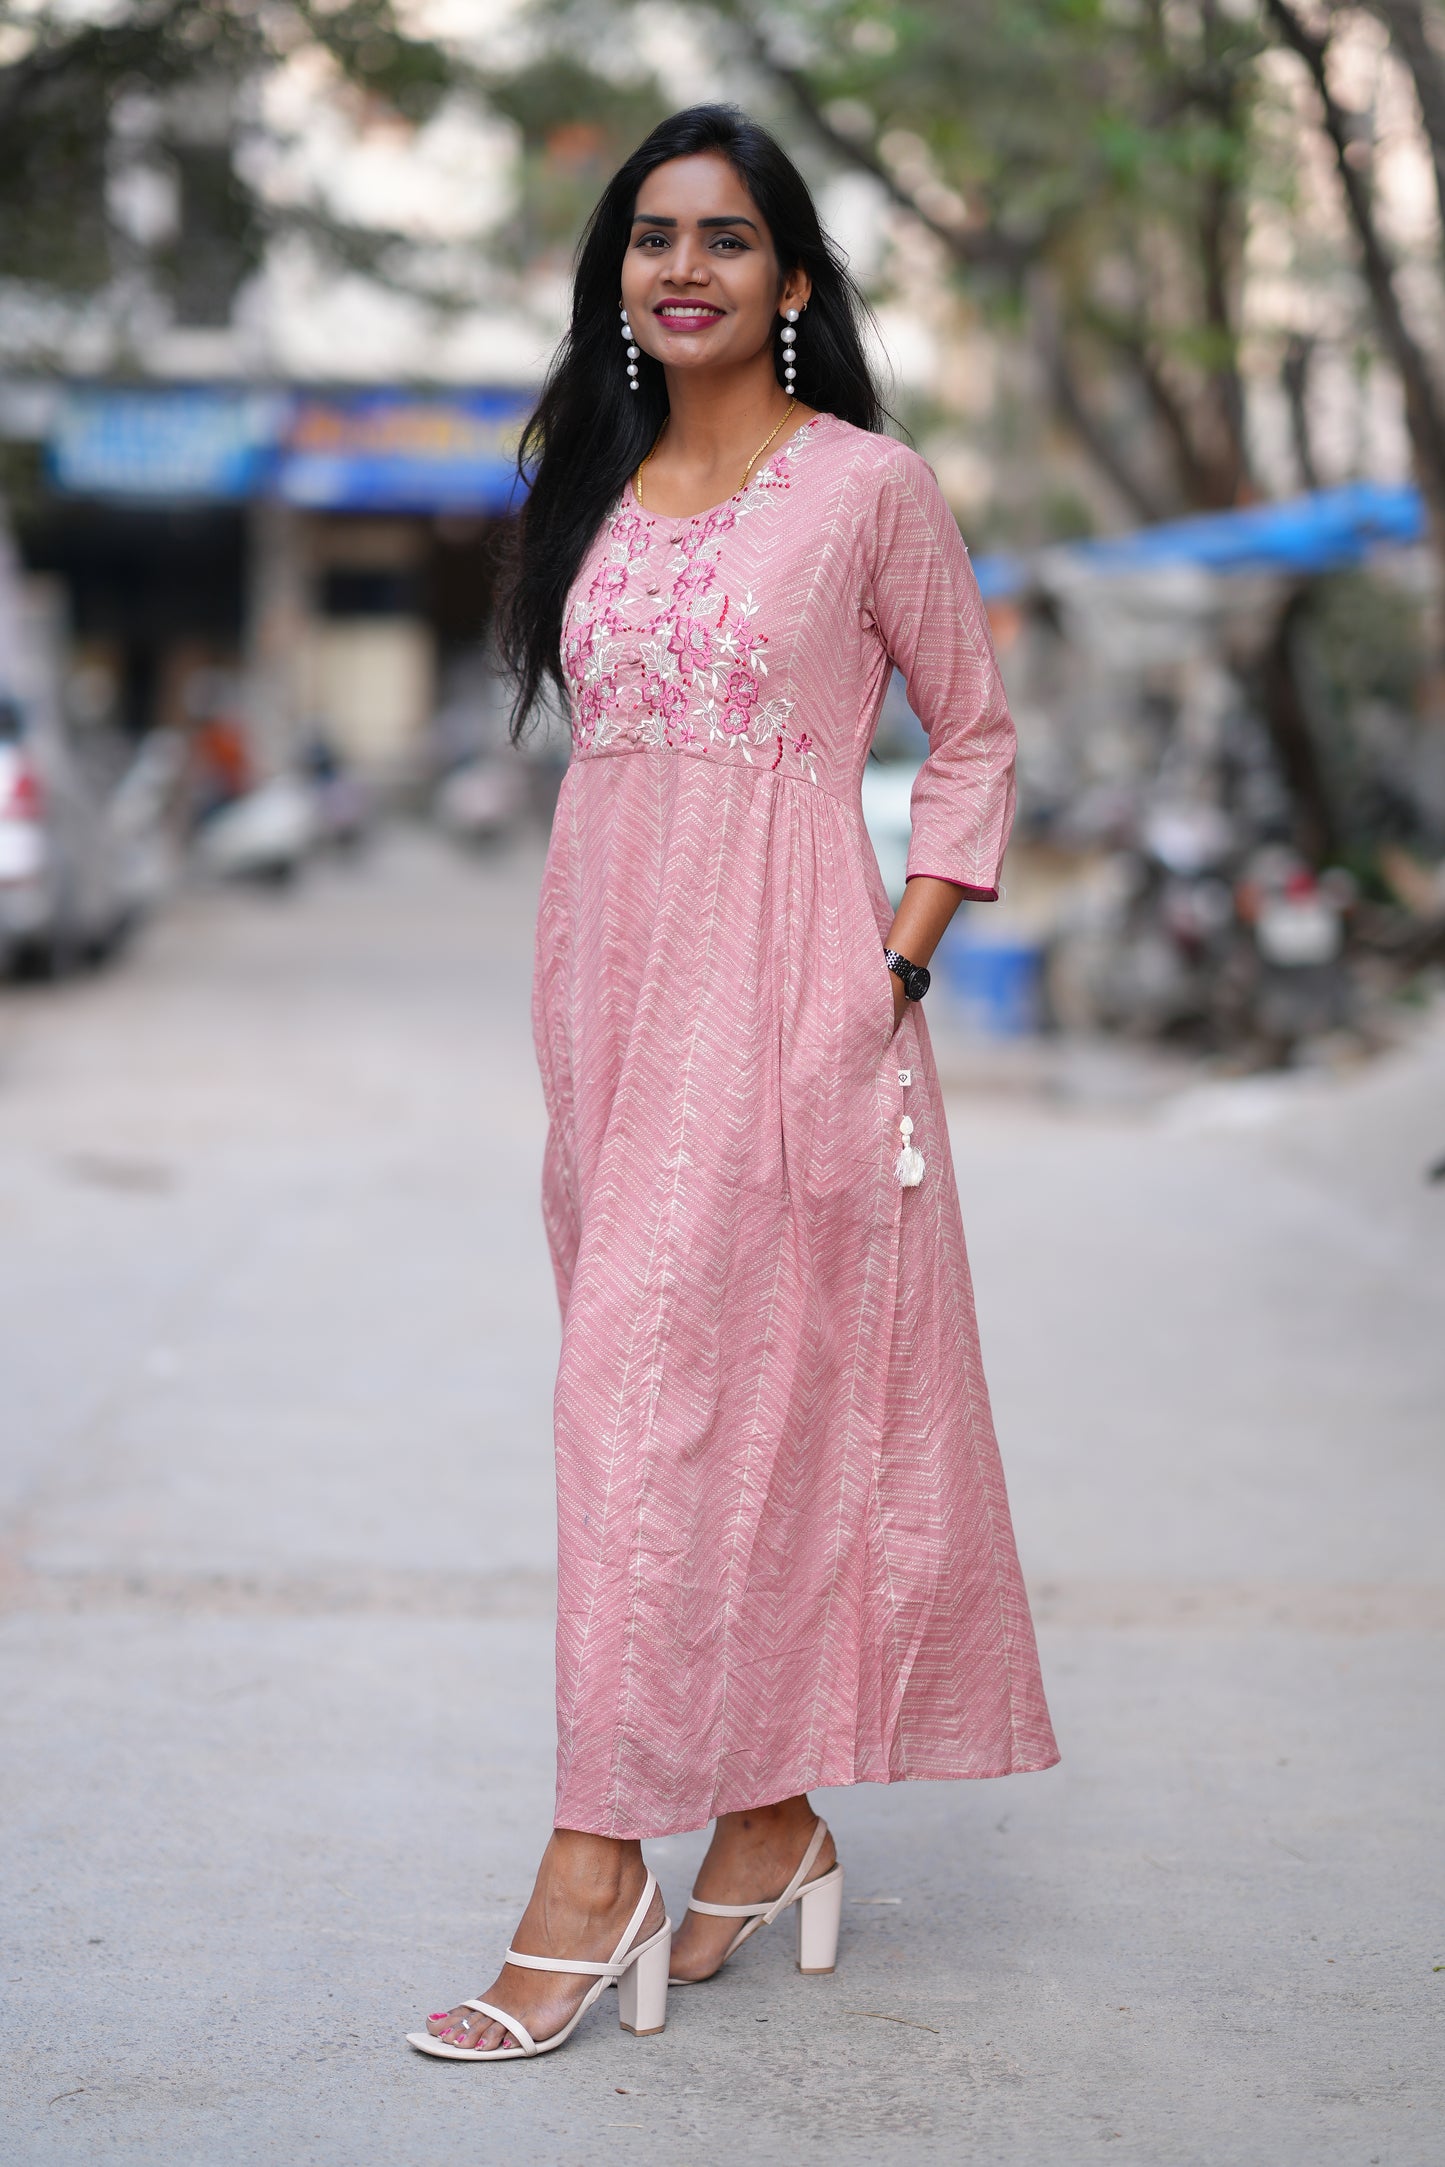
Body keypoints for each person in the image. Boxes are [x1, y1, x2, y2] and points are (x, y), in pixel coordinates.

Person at [408, 103, 1058, 2066]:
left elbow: (976, 735)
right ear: (618, 276)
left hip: (790, 1010)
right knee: (688, 1416)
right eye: (650, 236)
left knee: (639, 1416)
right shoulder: (589, 487)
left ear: (790, 280)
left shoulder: (868, 488)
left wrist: (893, 969)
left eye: (727, 237)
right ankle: (768, 1817)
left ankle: (591, 1867)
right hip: (605, 1016)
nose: (683, 265)